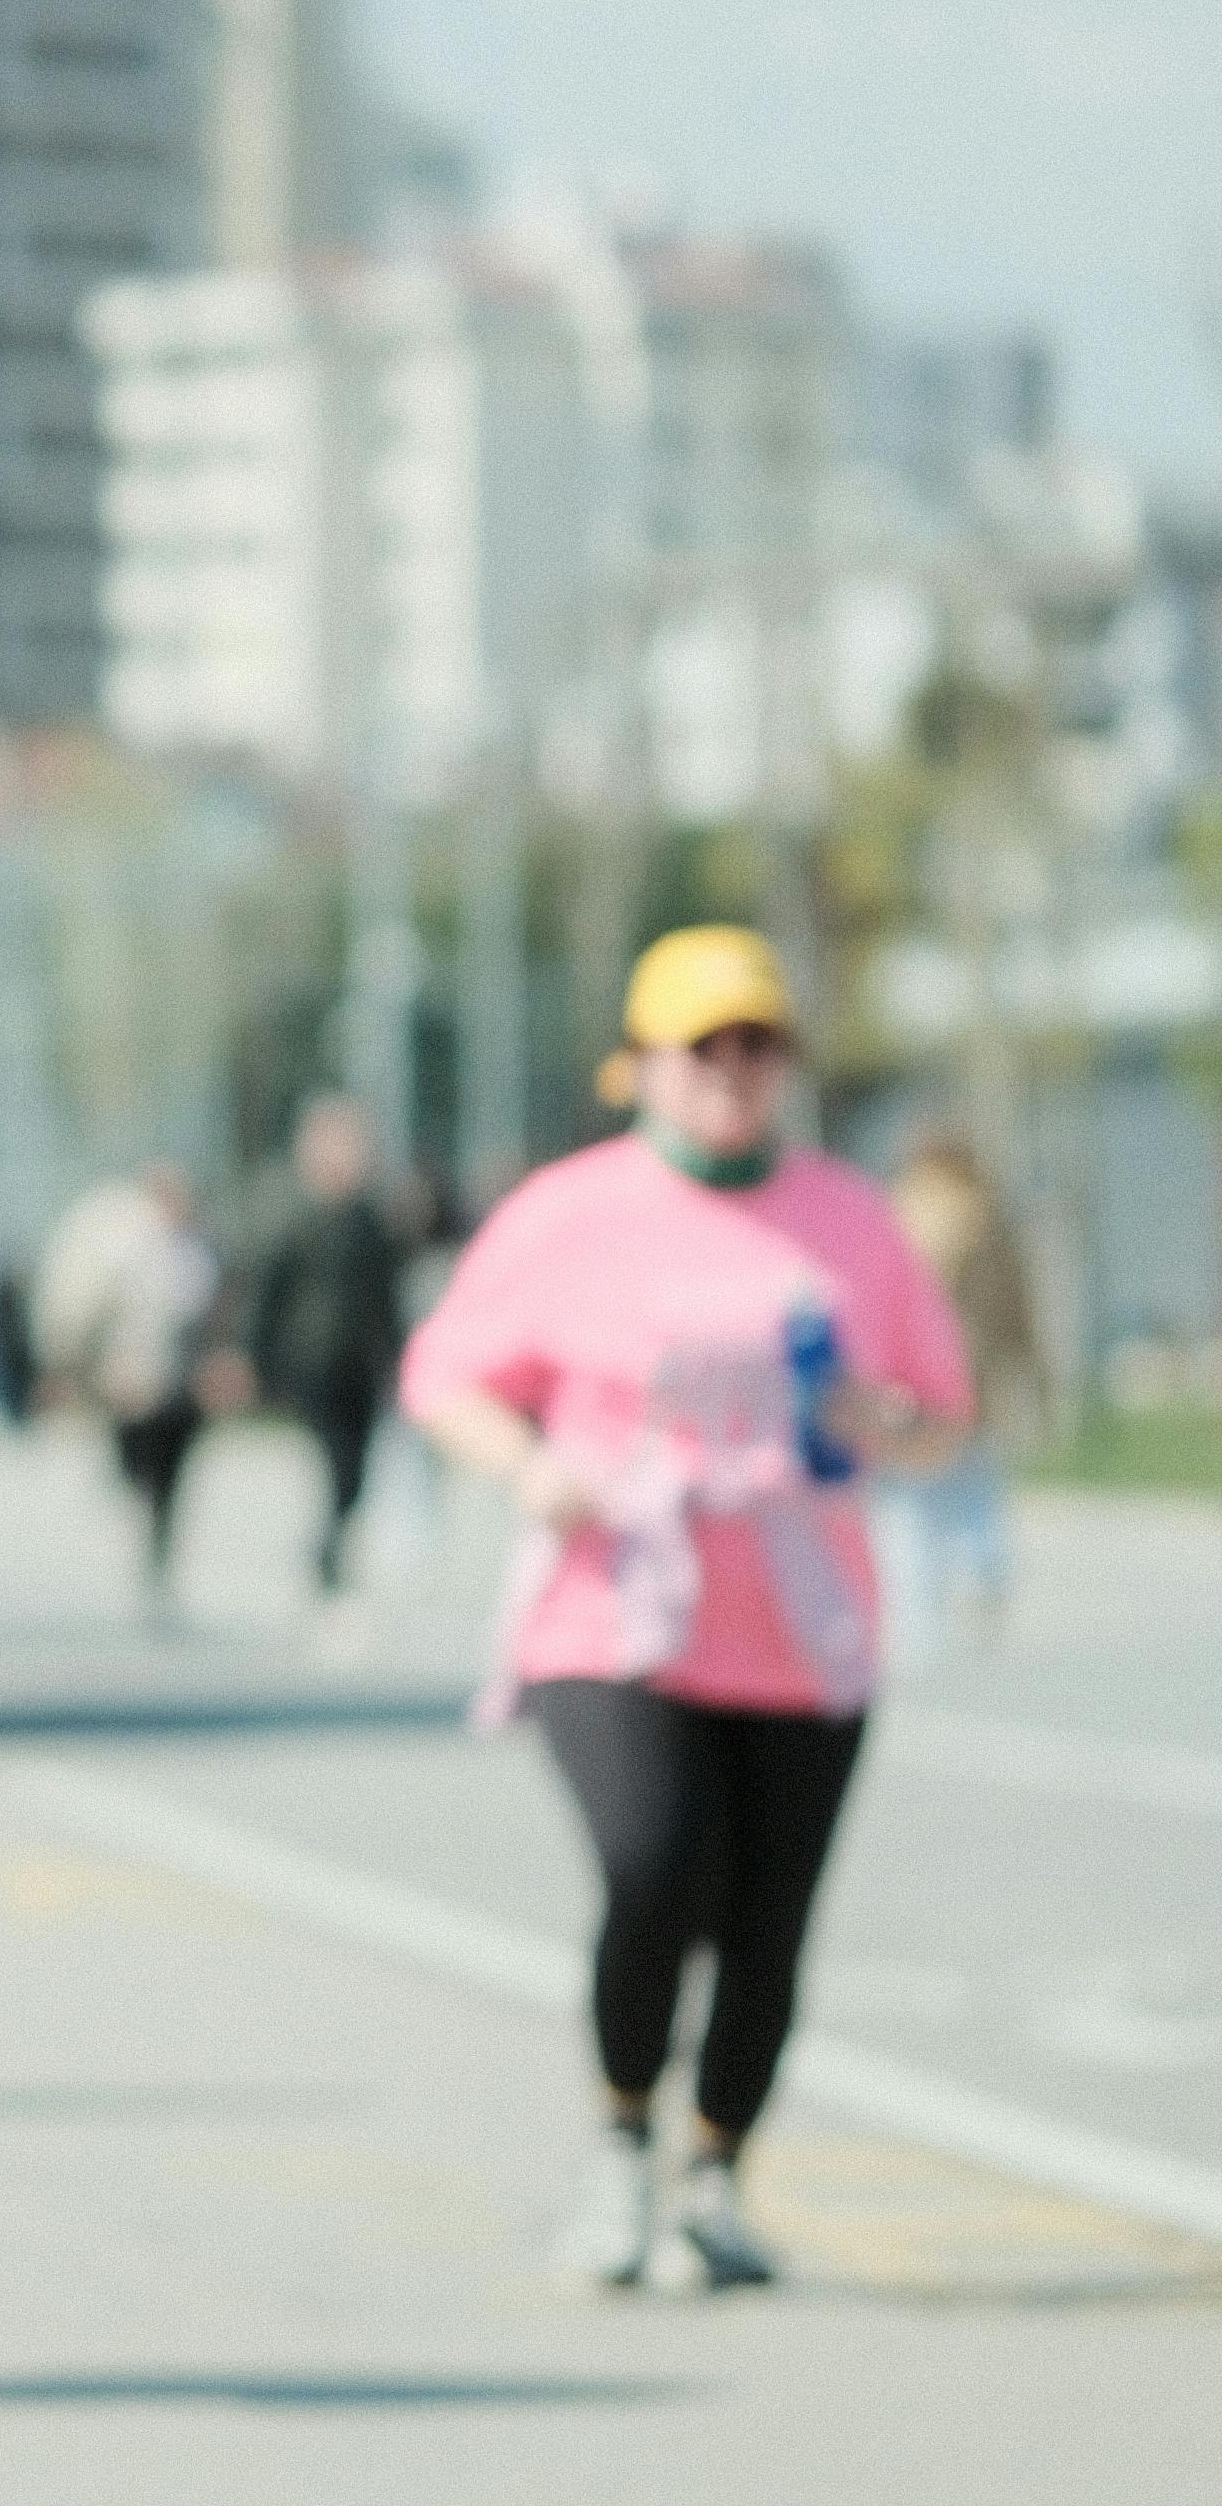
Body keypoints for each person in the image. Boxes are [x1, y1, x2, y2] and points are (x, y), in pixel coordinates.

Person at [405, 926, 971, 2299]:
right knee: (657, 1864)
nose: (732, 1072)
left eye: (756, 1046)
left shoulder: (848, 1218)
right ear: (642, 1065)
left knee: (768, 1920)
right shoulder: (571, 1210)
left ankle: (714, 2179)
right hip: (618, 1611)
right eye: (702, 1047)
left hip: (799, 1624)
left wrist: (888, 1425)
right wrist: (531, 1467)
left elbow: (939, 1418)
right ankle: (617, 2156)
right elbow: (445, 1374)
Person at [34, 1158, 225, 1607]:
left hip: (181, 1382)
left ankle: (158, 1556)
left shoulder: (201, 1249)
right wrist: (73, 1367)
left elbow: (217, 1313)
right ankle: (133, 1496)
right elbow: (87, 1310)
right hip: (131, 1379)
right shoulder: (123, 1244)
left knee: (173, 1474)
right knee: (136, 1460)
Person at [887, 1123, 1045, 1648]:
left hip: (912, 1388)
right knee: (975, 1492)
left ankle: (924, 1626)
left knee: (913, 1510)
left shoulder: (900, 1210)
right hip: (978, 1382)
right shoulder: (990, 1214)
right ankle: (984, 1579)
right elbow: (1019, 1306)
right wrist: (1033, 1373)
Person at [245, 1093, 407, 1599]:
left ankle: (331, 1541)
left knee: (356, 1467)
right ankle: (327, 1551)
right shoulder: (294, 1217)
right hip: (310, 1361)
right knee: (333, 1457)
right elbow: (267, 1294)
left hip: (360, 1363)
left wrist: (396, 1356)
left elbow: (386, 1296)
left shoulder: (370, 1220)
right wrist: (257, 1358)